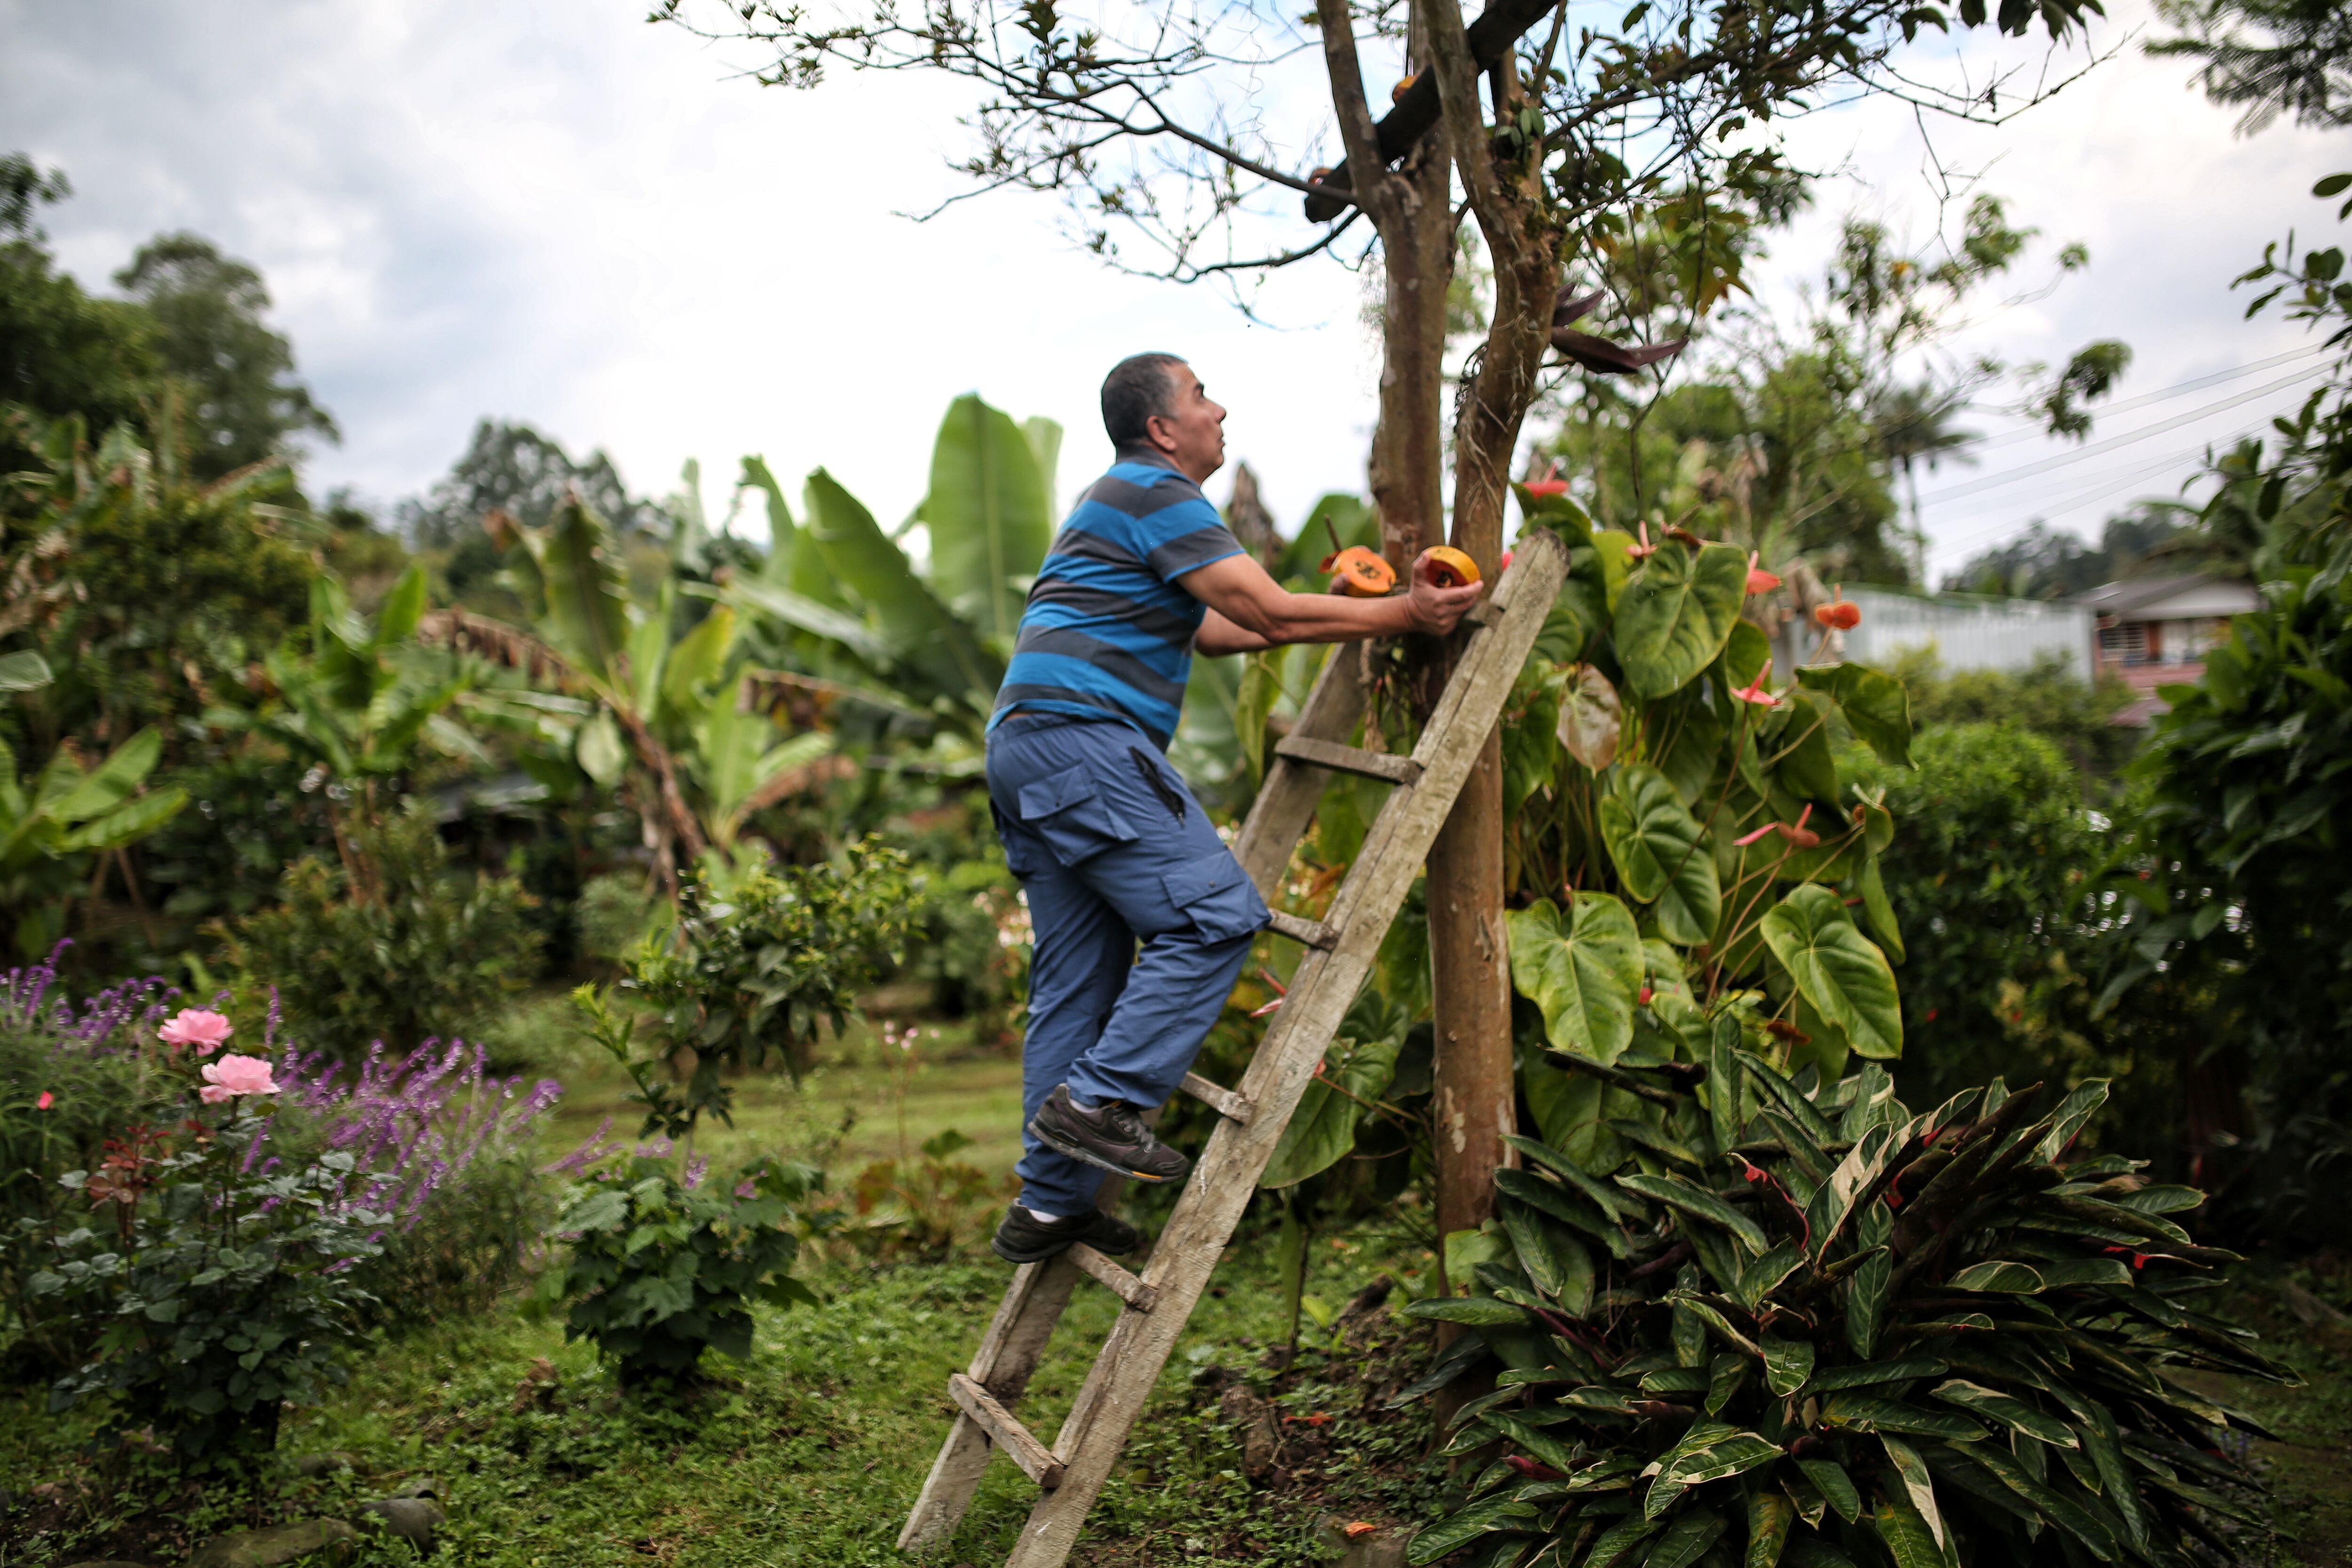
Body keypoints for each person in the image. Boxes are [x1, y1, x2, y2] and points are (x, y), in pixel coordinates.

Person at [985, 352, 1485, 1264]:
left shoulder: (1120, 499)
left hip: (1028, 748)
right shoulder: (1156, 491)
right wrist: (1412, 614)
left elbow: (1217, 627)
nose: (1221, 410)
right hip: (1084, 741)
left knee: (1077, 980)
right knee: (1215, 916)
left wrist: (1336, 606)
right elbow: (1271, 619)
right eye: (1201, 396)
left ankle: (1050, 1204)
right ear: (1162, 429)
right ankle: (1100, 1103)